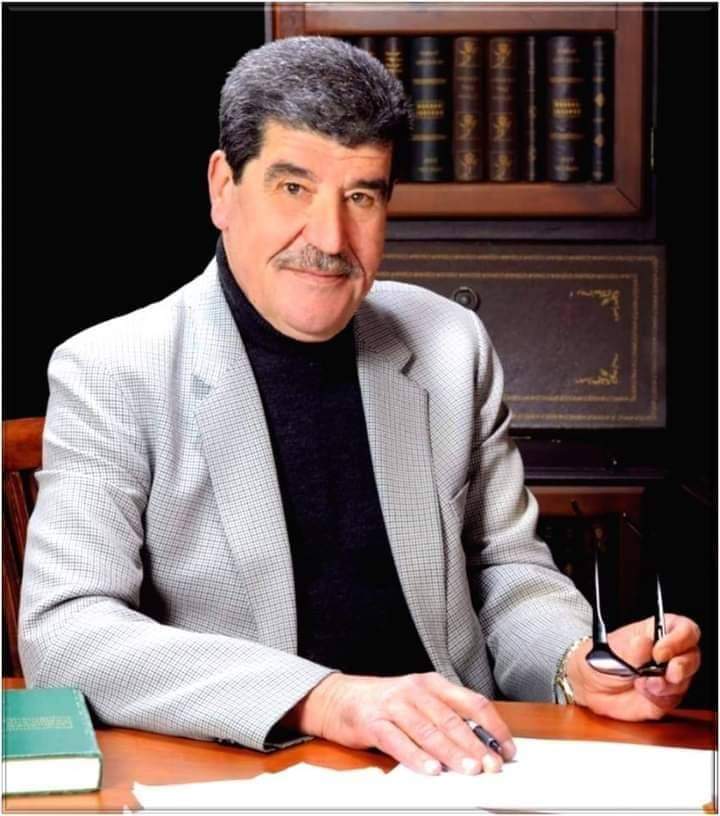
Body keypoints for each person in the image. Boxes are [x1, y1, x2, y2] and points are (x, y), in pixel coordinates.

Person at [19, 36, 700, 777]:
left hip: (458, 766)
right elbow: (67, 631)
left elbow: (504, 568)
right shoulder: (113, 368)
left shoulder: (451, 344)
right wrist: (325, 698)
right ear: (223, 188)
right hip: (242, 771)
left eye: (362, 197)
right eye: (293, 188)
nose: (329, 238)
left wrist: (576, 664)